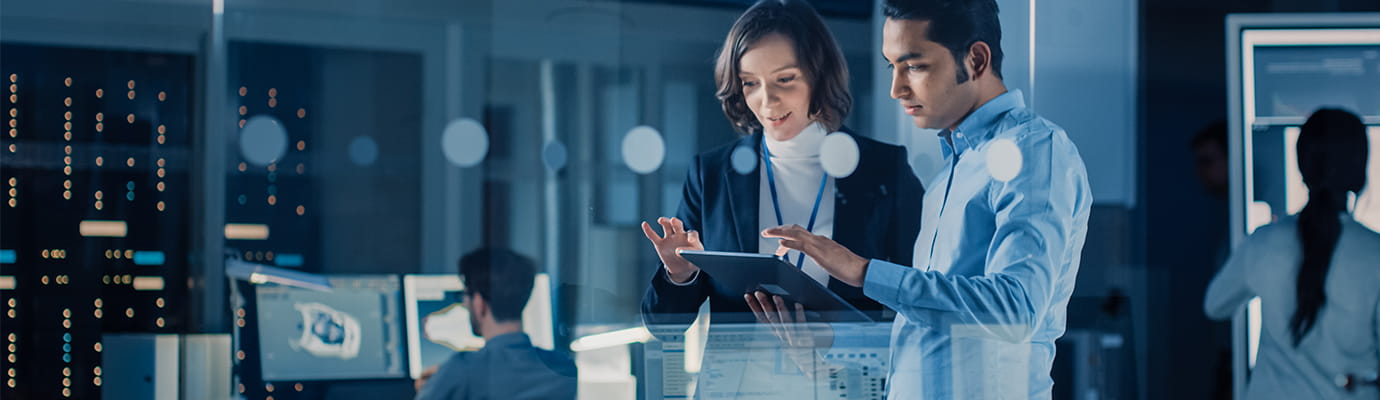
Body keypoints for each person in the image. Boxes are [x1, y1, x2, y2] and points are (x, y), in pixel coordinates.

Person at [759, 0, 1093, 398]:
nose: (896, 88)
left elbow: (1014, 309)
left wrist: (864, 271)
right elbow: (933, 335)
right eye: (892, 66)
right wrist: (827, 352)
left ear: (976, 60)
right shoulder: (949, 173)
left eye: (914, 66)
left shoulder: (1036, 150)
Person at [640, 0, 923, 327]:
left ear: (819, 76)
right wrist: (679, 274)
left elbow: (920, 298)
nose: (766, 101)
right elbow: (664, 327)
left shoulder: (884, 169)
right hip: (737, 375)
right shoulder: (712, 175)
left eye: (785, 79)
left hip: (848, 374)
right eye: (750, 82)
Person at [1205, 108, 1380, 400]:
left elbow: (1216, 305)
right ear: (1360, 167)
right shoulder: (1374, 253)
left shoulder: (1264, 243)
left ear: (1302, 167)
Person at [414, 248, 576, 400]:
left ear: (479, 303)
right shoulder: (563, 368)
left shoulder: (461, 371)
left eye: (464, 295)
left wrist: (434, 386)